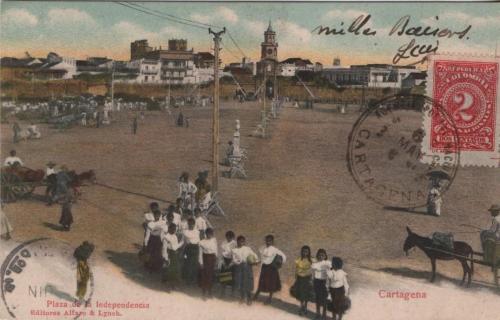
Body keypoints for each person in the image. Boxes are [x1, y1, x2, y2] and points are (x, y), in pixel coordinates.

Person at [254, 234, 287, 304]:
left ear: (272, 241)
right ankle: (256, 295)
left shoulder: (275, 249)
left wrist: (279, 262)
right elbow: (262, 258)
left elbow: (283, 256)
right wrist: (258, 262)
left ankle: (269, 298)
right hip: (264, 267)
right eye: (267, 241)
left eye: (270, 241)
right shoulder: (263, 248)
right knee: (262, 282)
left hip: (272, 269)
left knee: (271, 283)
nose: (268, 242)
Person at [231, 235, 259, 305]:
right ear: (237, 242)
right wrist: (239, 262)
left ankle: (249, 298)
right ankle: (242, 297)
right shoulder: (234, 250)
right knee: (240, 282)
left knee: (247, 283)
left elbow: (254, 255)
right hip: (239, 267)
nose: (241, 243)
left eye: (242, 241)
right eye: (239, 241)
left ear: (244, 242)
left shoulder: (247, 249)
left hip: (247, 267)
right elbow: (234, 260)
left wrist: (254, 261)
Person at [161, 223, 184, 290]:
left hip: (174, 254)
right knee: (169, 269)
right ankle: (167, 285)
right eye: (172, 229)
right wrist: (165, 257)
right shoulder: (166, 237)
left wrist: (182, 242)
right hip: (169, 254)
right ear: (169, 229)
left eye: (175, 229)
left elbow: (176, 247)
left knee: (175, 269)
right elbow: (164, 248)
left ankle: (173, 284)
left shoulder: (175, 236)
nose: (174, 230)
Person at [292, 245, 313, 316]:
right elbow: (296, 269)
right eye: (303, 251)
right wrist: (296, 277)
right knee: (301, 294)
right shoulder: (299, 260)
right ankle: (302, 306)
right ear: (301, 252)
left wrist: (311, 279)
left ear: (308, 252)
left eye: (306, 252)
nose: (305, 253)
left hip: (307, 279)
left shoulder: (311, 260)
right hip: (300, 279)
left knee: (306, 294)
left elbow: (312, 270)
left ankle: (305, 307)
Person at [198, 228, 218, 299]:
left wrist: (216, 260)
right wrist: (201, 263)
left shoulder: (214, 240)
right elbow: (200, 254)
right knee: (204, 276)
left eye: (211, 233)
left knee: (211, 276)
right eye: (208, 233)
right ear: (205, 234)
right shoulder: (202, 242)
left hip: (212, 259)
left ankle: (210, 292)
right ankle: (204, 293)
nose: (209, 235)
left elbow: (216, 251)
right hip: (205, 258)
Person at [311, 249, 331, 320]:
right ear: (317, 255)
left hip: (324, 282)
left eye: (323, 255)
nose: (321, 256)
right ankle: (318, 313)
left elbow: (331, 269)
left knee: (324, 299)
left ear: (325, 256)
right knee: (318, 298)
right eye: (319, 255)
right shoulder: (315, 263)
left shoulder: (327, 263)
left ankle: (324, 314)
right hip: (317, 282)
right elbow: (313, 268)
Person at [182, 218, 200, 285]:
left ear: (194, 224)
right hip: (188, 248)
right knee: (188, 263)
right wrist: (183, 251)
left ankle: (193, 279)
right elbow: (184, 242)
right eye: (189, 224)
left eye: (192, 224)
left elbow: (198, 241)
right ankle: (188, 279)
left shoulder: (197, 232)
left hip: (195, 248)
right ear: (188, 224)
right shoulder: (185, 232)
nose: (191, 225)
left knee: (194, 264)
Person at [219, 231, 236, 296]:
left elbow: (234, 254)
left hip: (232, 260)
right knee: (224, 276)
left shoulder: (234, 243)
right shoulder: (224, 242)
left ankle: (233, 293)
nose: (228, 238)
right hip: (225, 260)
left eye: (230, 237)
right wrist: (223, 262)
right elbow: (222, 253)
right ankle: (223, 292)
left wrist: (231, 263)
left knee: (232, 277)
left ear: (232, 237)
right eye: (227, 237)